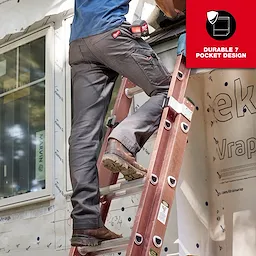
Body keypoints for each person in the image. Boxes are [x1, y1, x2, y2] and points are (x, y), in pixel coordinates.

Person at [69, 0, 175, 247]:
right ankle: (122, 140)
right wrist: (176, 11)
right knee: (168, 90)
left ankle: (86, 223)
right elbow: (168, 5)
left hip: (79, 45)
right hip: (110, 34)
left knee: (82, 136)